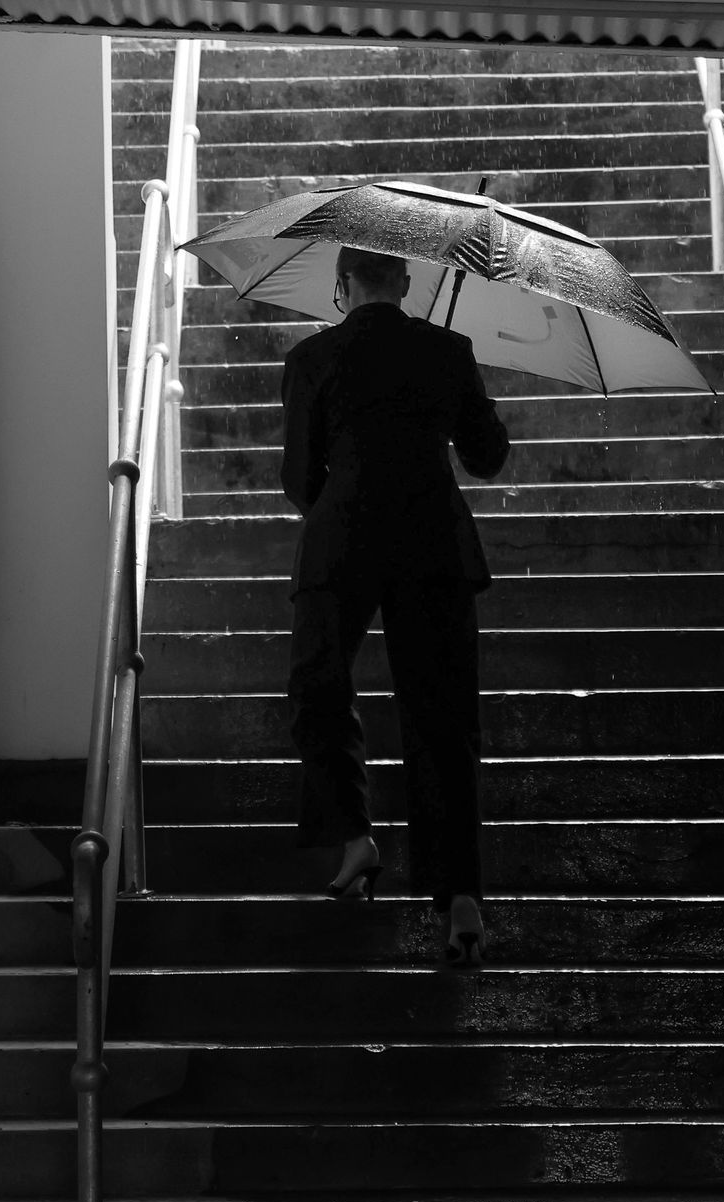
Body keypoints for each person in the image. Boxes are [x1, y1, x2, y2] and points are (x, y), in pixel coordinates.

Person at [280, 246, 510, 966]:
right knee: (444, 716)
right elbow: (487, 457)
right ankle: (460, 894)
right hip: (433, 542)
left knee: (317, 686)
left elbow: (298, 479)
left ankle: (355, 836)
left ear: (342, 286)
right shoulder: (448, 350)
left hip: (340, 543)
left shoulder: (312, 358)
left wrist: (346, 495)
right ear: (407, 283)